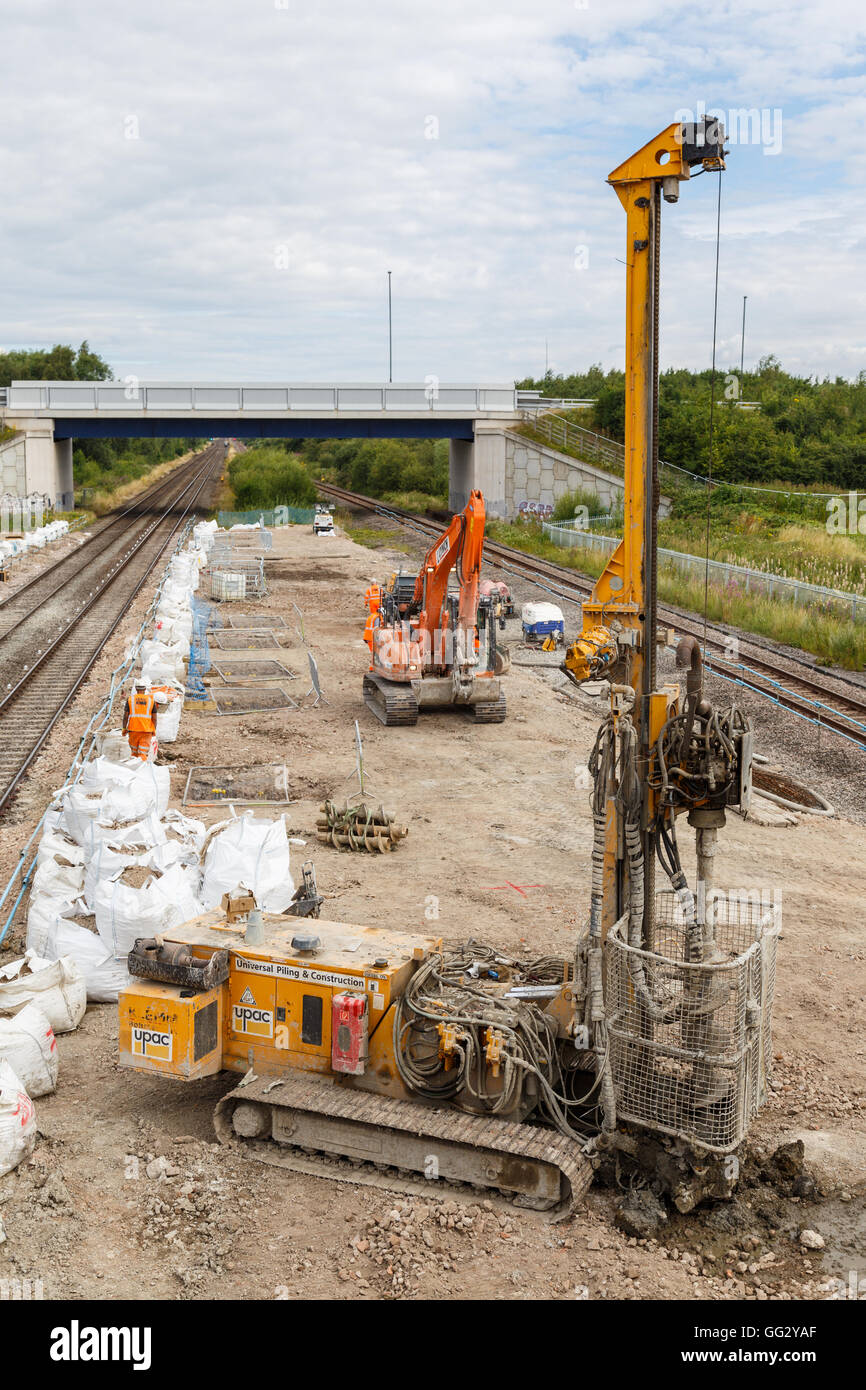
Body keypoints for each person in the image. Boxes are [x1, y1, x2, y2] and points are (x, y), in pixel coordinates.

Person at [122, 681, 162, 760]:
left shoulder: (130, 699)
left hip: (133, 730)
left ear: (136, 689)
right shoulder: (151, 700)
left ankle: (134, 769)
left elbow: (125, 716)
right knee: (143, 754)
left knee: (134, 753)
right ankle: (141, 770)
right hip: (146, 731)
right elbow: (154, 718)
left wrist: (124, 728)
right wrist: (154, 729)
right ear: (145, 689)